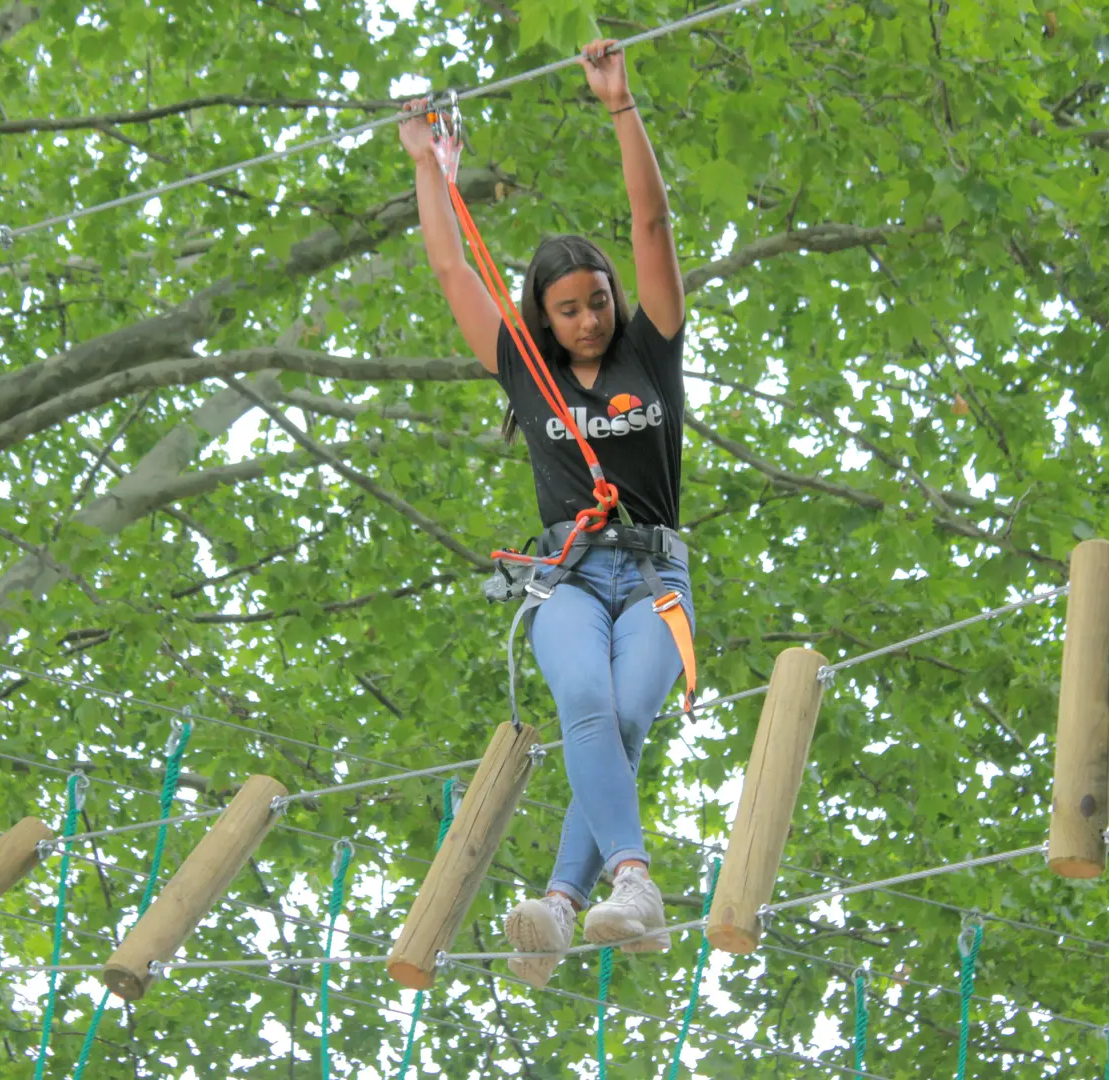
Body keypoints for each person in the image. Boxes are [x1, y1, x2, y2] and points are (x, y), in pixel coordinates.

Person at [398, 39, 693, 987]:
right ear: (544, 315)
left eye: (597, 301)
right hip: (566, 574)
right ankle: (632, 883)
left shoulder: (653, 355)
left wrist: (621, 106)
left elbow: (650, 222)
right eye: (566, 309)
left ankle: (565, 906)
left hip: (653, 573)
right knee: (586, 706)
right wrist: (427, 169)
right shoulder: (526, 375)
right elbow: (452, 274)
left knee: (626, 719)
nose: (587, 320)